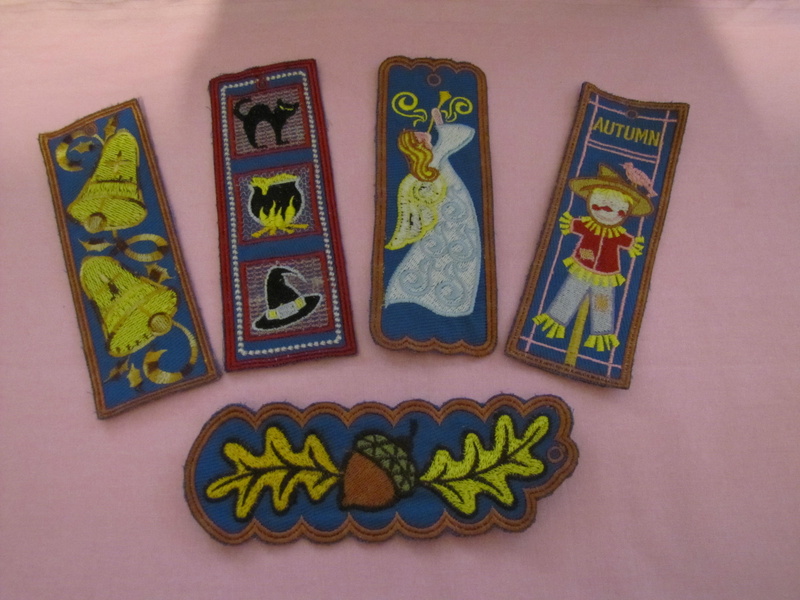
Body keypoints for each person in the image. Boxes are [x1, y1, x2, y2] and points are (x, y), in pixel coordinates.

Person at [534, 164, 653, 352]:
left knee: (602, 301)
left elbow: (631, 243)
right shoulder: (587, 224)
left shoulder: (618, 234)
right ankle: (555, 321)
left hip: (606, 271)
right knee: (571, 292)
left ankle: (601, 334)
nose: (607, 211)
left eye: (617, 208)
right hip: (583, 263)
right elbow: (573, 225)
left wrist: (633, 245)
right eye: (601, 203)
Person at [384, 108, 480, 317]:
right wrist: (440, 124)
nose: (422, 133)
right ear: (417, 144)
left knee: (445, 251)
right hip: (452, 217)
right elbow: (461, 135)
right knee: (449, 251)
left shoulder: (427, 164)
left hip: (453, 213)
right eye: (417, 136)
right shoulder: (433, 159)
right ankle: (446, 298)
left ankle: (431, 294)